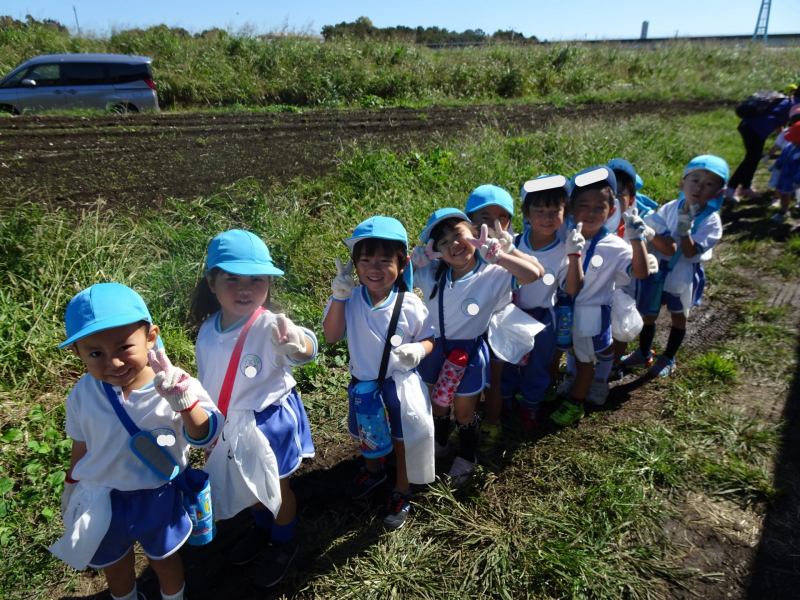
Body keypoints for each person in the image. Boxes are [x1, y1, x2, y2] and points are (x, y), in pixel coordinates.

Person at [51, 283, 221, 600]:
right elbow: (81, 444)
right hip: (104, 498)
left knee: (164, 561)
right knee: (114, 567)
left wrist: (184, 403)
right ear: (78, 353)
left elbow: (204, 435)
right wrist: (71, 484)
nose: (113, 363)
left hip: (158, 495)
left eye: (124, 348)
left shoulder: (175, 384)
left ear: (150, 337)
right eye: (96, 353)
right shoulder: (81, 394)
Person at [191, 229, 317, 588]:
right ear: (212, 281)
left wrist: (297, 342)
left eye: (256, 279)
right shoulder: (206, 330)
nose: (245, 288)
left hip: (270, 423)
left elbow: (306, 348)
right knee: (250, 485)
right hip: (232, 424)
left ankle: (283, 541)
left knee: (277, 490)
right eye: (232, 279)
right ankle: (262, 529)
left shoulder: (270, 324)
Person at [413, 208, 543, 485]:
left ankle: (468, 456)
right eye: (443, 242)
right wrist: (413, 264)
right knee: (435, 405)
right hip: (434, 350)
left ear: (474, 233)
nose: (453, 245)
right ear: (436, 250)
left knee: (464, 411)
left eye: (458, 235)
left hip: (467, 353)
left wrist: (504, 255)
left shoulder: (493, 273)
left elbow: (535, 274)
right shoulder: (431, 273)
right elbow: (397, 282)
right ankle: (441, 442)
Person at [323, 216, 435, 530]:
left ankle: (402, 487)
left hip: (398, 388)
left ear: (403, 264)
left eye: (385, 260)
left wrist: (418, 350)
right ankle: (374, 471)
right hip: (363, 385)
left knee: (402, 438)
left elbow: (429, 338)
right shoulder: (351, 299)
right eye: (365, 260)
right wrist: (338, 297)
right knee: (367, 433)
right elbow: (331, 336)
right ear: (355, 265)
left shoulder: (409, 304)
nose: (374, 268)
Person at [552, 166, 650, 425]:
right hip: (566, 309)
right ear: (572, 208)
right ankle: (574, 382)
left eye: (600, 207)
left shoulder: (616, 246)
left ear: (612, 210)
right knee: (573, 350)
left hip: (592, 312)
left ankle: (577, 401)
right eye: (585, 205)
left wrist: (637, 238)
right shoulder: (565, 237)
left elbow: (639, 272)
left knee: (586, 357)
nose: (592, 213)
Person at [620, 155, 729, 377]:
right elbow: (656, 234)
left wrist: (685, 232)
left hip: (682, 273)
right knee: (649, 313)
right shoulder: (670, 207)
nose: (699, 187)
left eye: (709, 184)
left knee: (679, 315)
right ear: (682, 183)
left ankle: (669, 356)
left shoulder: (711, 222)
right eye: (695, 180)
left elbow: (689, 252)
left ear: (718, 192)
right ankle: (643, 352)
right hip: (658, 267)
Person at [500, 175, 581, 430]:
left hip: (543, 317)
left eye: (554, 211)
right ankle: (503, 399)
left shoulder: (563, 250)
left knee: (539, 364)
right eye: (540, 210)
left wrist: (574, 254)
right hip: (512, 313)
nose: (547, 218)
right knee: (507, 360)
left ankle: (531, 403)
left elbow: (572, 287)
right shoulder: (513, 243)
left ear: (564, 211)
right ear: (525, 212)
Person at [463, 184, 517, 454]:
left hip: (496, 325)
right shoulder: (462, 248)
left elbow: (531, 274)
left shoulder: (508, 246)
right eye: (484, 217)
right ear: (469, 220)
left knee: (493, 380)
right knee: (469, 381)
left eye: (501, 218)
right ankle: (467, 422)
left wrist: (506, 255)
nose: (493, 225)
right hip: (468, 326)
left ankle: (491, 423)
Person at [726, 86, 798, 202]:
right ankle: (731, 187)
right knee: (752, 158)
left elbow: (778, 123)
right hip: (754, 129)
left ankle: (745, 187)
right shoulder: (796, 105)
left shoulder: (788, 100)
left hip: (751, 127)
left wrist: (783, 142)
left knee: (754, 156)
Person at [769, 118, 800, 223]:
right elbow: (783, 157)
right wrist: (777, 165)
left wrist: (797, 180)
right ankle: (783, 211)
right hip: (785, 175)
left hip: (794, 176)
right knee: (784, 194)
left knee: (790, 194)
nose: (792, 140)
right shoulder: (789, 147)